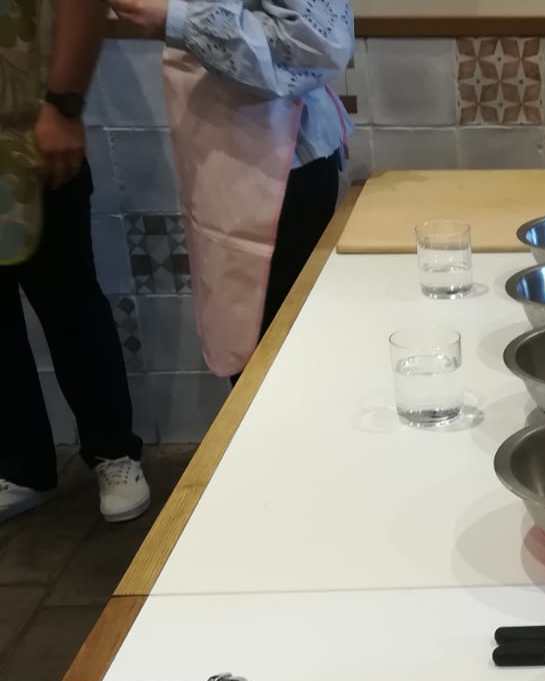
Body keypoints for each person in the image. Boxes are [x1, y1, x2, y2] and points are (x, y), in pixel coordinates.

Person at [107, 0, 352, 379]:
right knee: (262, 369)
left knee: (283, 375)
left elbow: (317, 45)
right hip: (229, 157)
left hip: (281, 169)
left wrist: (177, 19)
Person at [0, 0, 151, 525]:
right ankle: (22, 465)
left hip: (25, 127)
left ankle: (113, 450)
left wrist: (64, 105)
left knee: (67, 296)